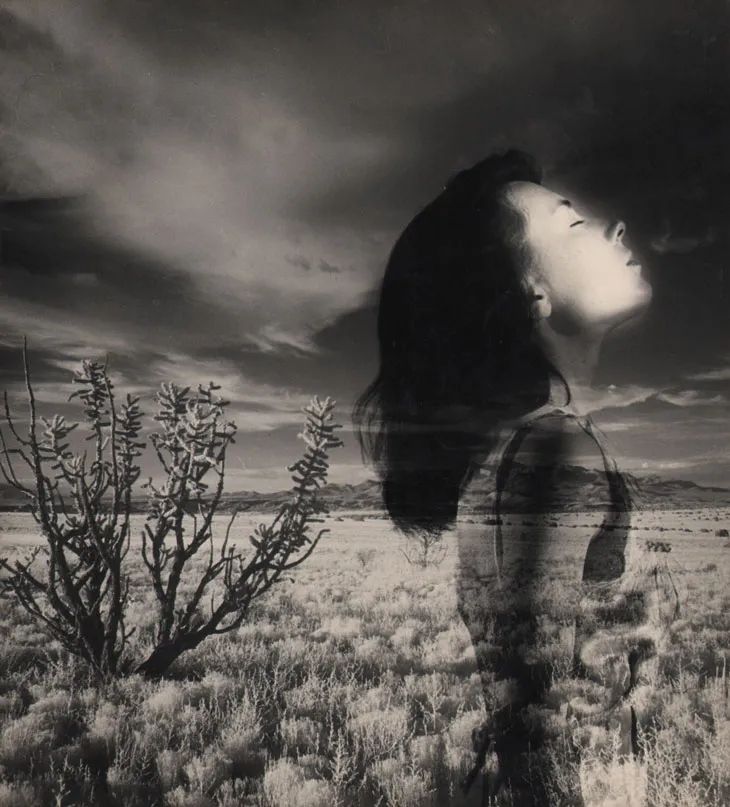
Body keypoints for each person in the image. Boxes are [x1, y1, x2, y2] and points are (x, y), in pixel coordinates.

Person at [354, 150, 681, 805]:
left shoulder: (531, 445)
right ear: (533, 291)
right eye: (576, 224)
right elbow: (545, 724)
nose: (615, 229)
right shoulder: (548, 449)